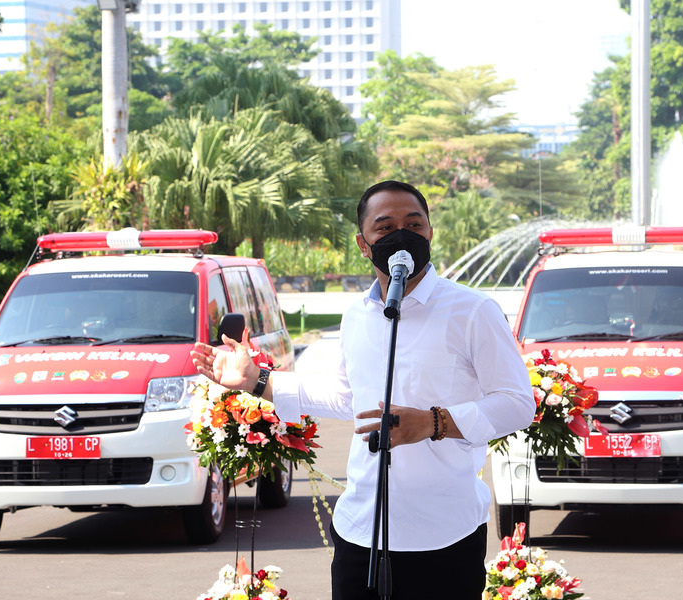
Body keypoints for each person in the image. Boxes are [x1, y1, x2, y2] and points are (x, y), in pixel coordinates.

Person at [191, 180, 535, 599]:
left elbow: (517, 404)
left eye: (414, 223)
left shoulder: (473, 311)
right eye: (385, 227)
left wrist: (433, 423)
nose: (401, 236)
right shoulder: (357, 315)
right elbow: (347, 396)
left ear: (429, 233)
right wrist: (258, 382)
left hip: (444, 534)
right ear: (363, 243)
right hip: (361, 532)